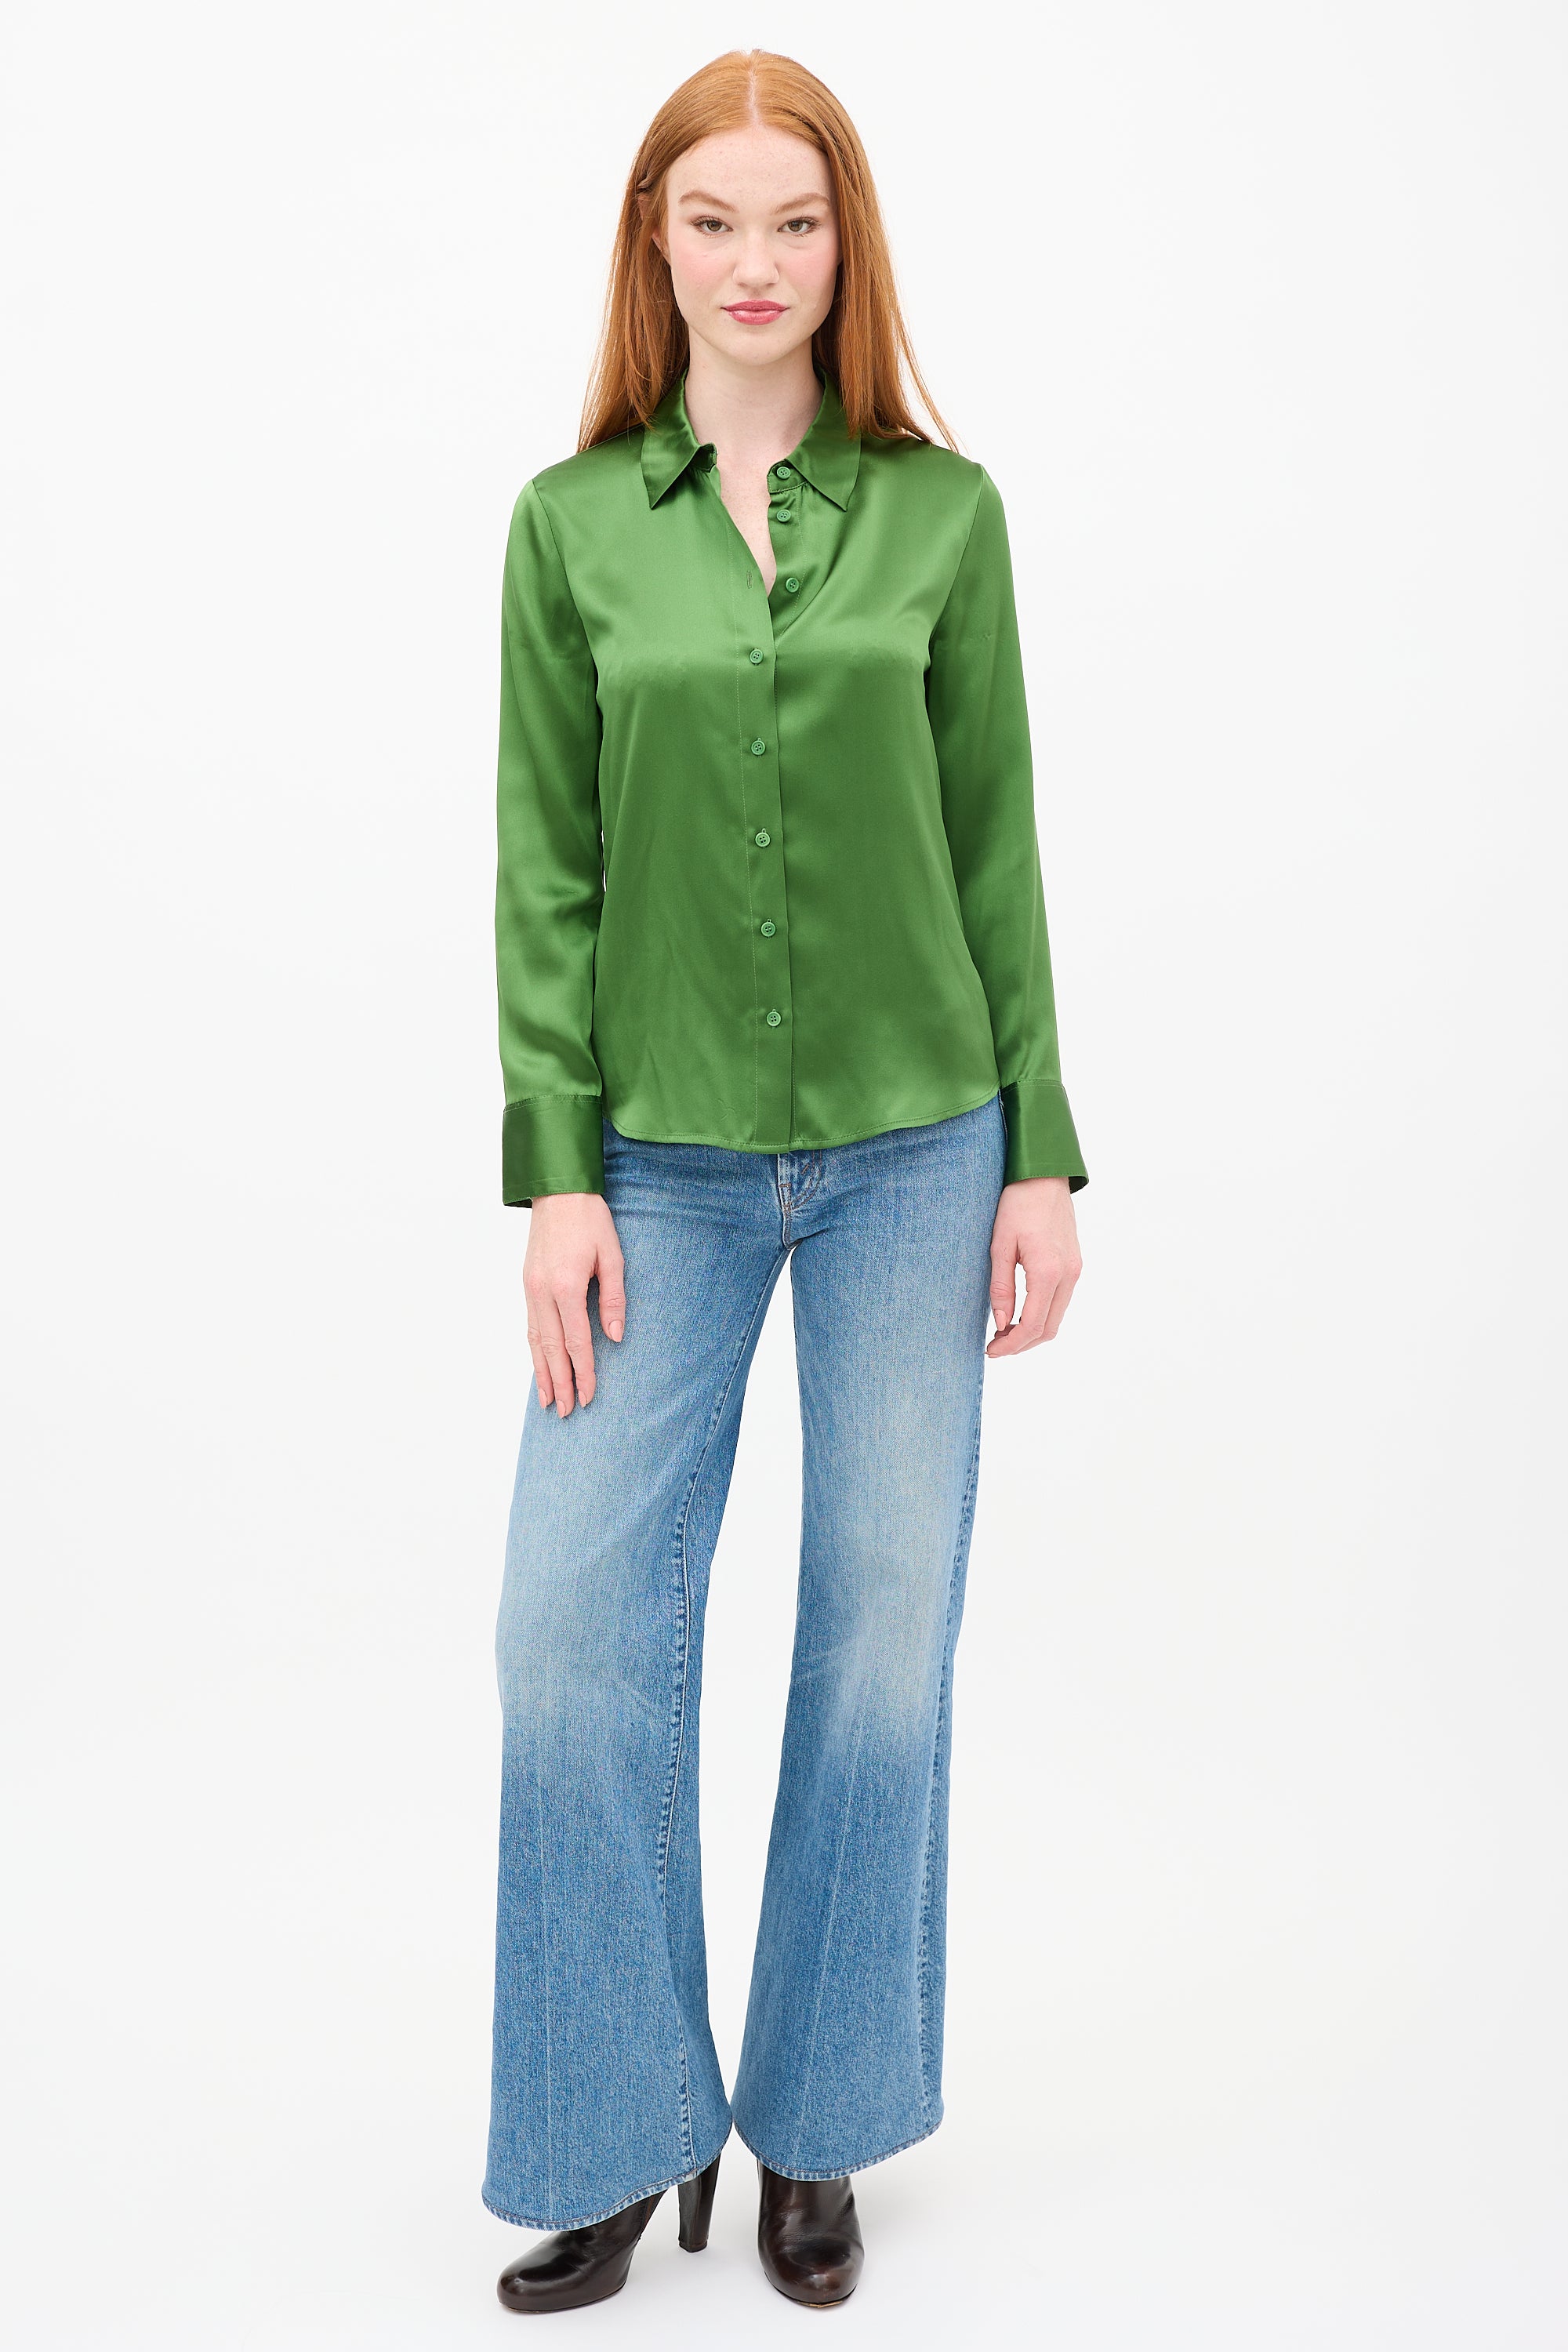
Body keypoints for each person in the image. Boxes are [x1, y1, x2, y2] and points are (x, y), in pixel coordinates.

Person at [482, 47, 1087, 2316]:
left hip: (923, 1152)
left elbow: (995, 843)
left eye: (797, 220)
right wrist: (556, 1172)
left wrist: (1040, 1151)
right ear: (656, 243)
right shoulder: (568, 529)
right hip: (654, 1166)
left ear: (851, 245)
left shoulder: (945, 517)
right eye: (715, 219)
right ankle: (613, 2123)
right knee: (568, 1641)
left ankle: (816, 2126)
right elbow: (545, 868)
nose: (758, 263)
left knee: (878, 1649)